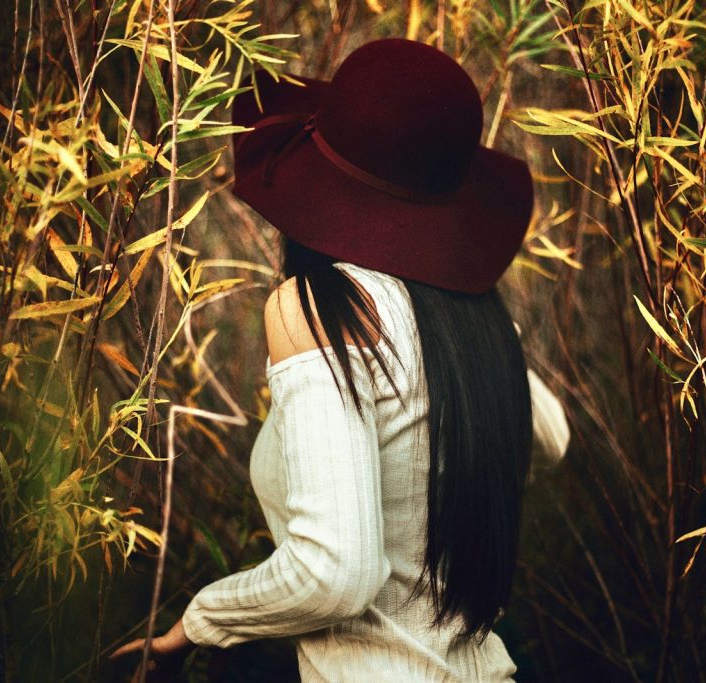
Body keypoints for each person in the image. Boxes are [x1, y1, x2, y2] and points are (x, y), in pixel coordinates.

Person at [111, 38, 569, 681]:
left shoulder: (317, 306)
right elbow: (553, 436)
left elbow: (335, 572)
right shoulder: (470, 318)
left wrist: (200, 621)